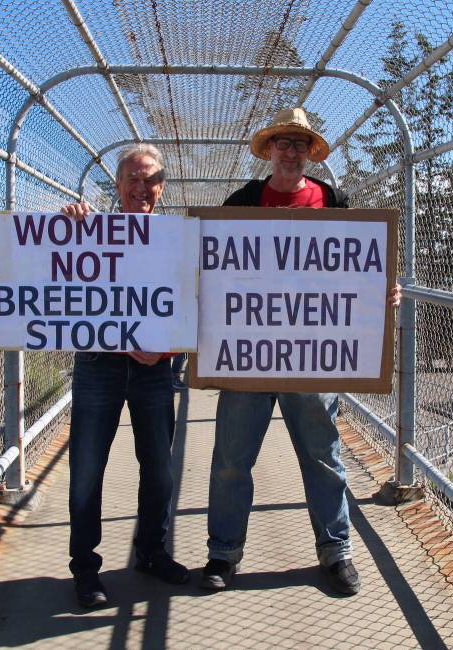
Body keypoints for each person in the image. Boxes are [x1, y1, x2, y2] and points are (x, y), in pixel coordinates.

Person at [199, 108, 401, 596]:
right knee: (231, 458)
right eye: (282, 143)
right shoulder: (241, 202)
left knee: (322, 455)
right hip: (248, 354)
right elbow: (213, 269)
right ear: (268, 151)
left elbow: (360, 266)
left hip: (312, 353)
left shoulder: (334, 202)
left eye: (299, 144)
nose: (290, 152)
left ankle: (336, 553)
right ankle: (223, 554)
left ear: (310, 154)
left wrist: (382, 289)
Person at [61, 144, 188, 608]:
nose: (141, 187)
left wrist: (166, 349)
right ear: (118, 186)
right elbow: (58, 277)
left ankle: (151, 551)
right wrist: (69, 230)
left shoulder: (178, 237)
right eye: (131, 179)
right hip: (98, 365)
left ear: (162, 186)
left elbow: (192, 299)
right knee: (87, 469)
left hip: (155, 369)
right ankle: (84, 569)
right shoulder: (90, 231)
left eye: (150, 178)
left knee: (158, 468)